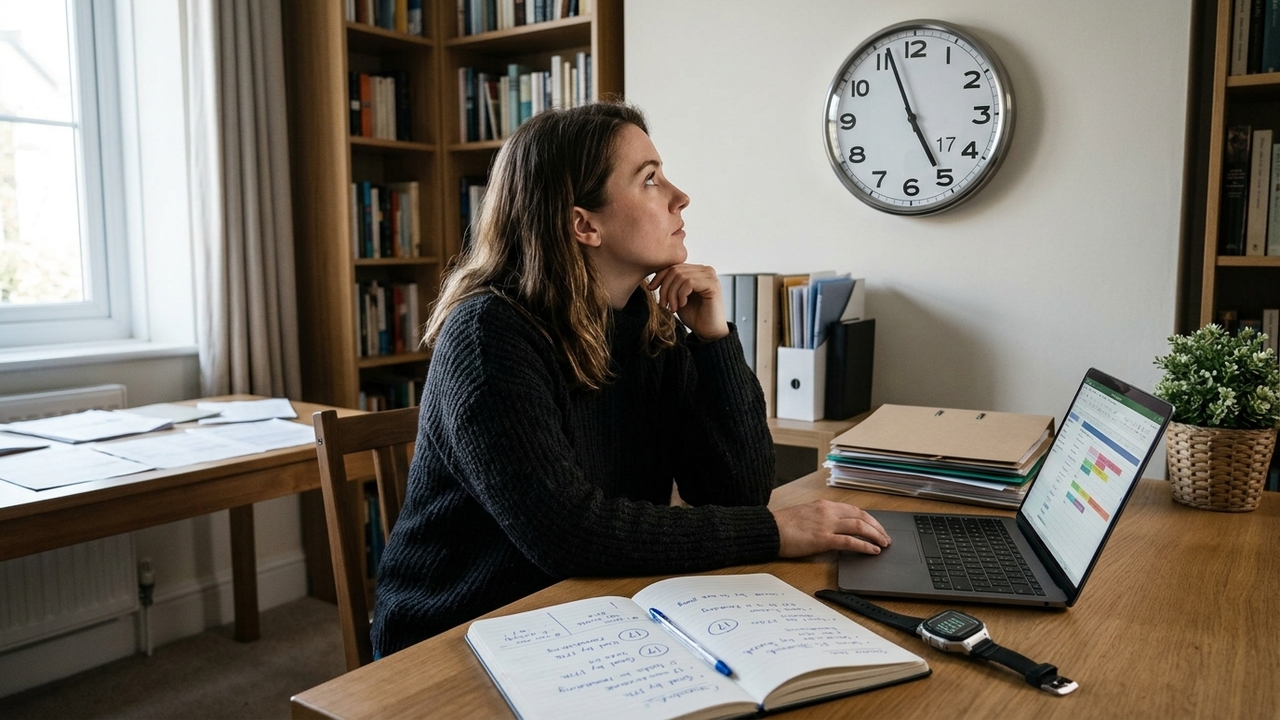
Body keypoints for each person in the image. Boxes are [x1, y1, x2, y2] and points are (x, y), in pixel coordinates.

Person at [371, 101, 890, 658]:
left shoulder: (644, 325)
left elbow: (738, 490)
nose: (679, 196)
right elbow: (568, 533)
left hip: (589, 611)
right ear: (584, 223)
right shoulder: (488, 334)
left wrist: (714, 342)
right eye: (649, 180)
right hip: (459, 631)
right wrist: (776, 532)